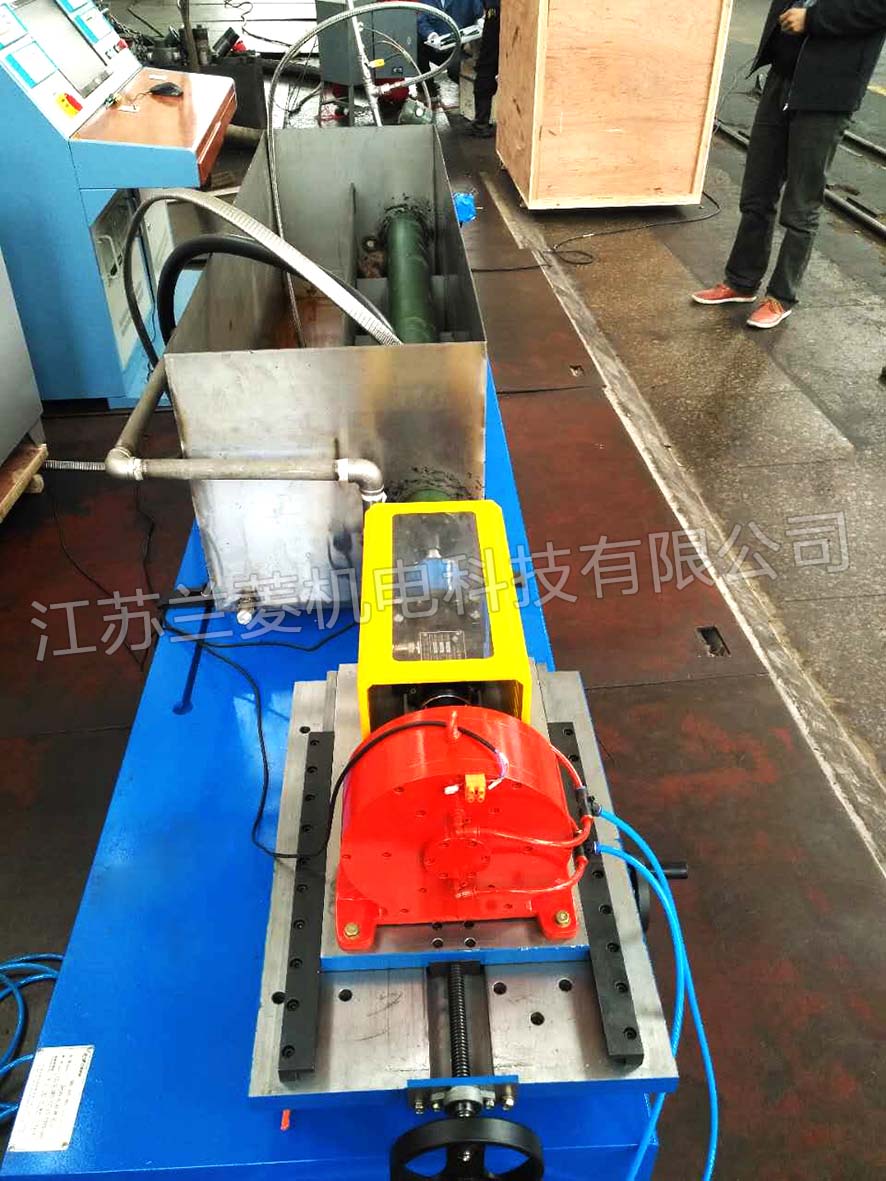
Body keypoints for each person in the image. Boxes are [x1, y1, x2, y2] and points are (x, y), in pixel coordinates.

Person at [692, 0, 886, 329]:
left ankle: (781, 296)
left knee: (801, 202)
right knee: (757, 190)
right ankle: (741, 281)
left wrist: (813, 19)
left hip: (828, 91)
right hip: (781, 77)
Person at [417, 0, 484, 95]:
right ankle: (427, 89)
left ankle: (472, 93)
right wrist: (430, 35)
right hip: (436, 46)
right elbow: (421, 20)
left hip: (461, 48)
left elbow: (482, 14)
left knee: (456, 71)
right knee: (416, 44)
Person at [471, 3, 500, 136]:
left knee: (485, 70)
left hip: (496, 17)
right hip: (495, 16)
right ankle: (481, 122)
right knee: (485, 72)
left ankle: (481, 123)